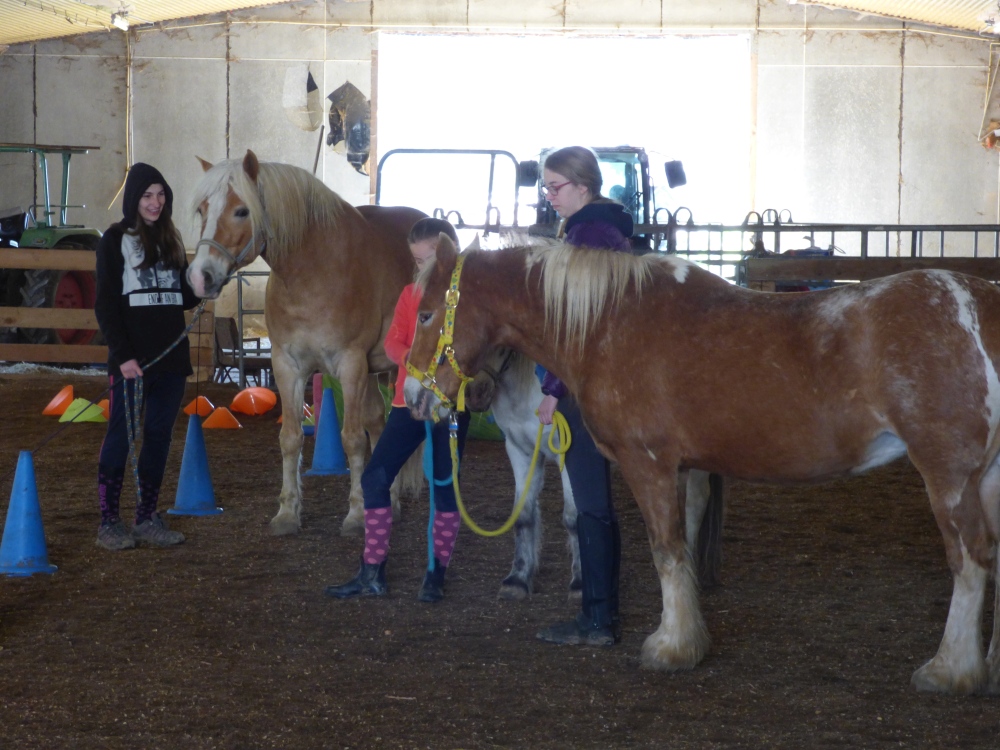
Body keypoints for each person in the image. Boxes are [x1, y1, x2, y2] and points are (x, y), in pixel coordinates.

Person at [325, 217, 471, 603]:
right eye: (417, 261)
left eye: (428, 260)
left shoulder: (468, 299)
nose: (421, 268)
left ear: (449, 254)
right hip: (408, 402)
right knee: (375, 478)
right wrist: (415, 360)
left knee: (444, 487)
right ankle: (372, 571)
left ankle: (436, 575)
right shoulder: (410, 294)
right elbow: (392, 343)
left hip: (450, 405)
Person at [534, 146, 633, 646]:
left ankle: (597, 618)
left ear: (582, 185)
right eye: (546, 187)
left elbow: (580, 323)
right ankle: (600, 613)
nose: (549, 196)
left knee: (591, 501)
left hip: (583, 383)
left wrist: (554, 389)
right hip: (604, 376)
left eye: (555, 187)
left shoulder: (588, 235)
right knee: (596, 503)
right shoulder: (602, 229)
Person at [93, 162, 200, 550]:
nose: (155, 203)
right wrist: (123, 356)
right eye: (147, 196)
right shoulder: (114, 240)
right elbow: (106, 305)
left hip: (170, 362)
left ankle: (146, 517)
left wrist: (203, 283)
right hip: (131, 363)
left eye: (161, 195)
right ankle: (108, 522)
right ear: (134, 200)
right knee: (121, 436)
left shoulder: (171, 239)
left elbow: (183, 298)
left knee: (158, 437)